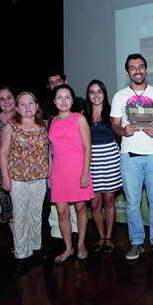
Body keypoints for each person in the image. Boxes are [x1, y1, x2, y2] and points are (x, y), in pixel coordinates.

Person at [111, 53, 153, 260]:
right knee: (132, 203)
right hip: (129, 157)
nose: (137, 70)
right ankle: (136, 241)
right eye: (133, 67)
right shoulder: (119, 96)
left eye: (141, 66)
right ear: (127, 72)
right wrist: (122, 130)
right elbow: (115, 125)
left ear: (146, 69)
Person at [0, 92, 49, 272]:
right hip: (17, 178)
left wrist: (49, 173)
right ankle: (21, 253)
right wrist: (5, 177)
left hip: (39, 177)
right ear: (18, 108)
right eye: (22, 104)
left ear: (36, 106)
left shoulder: (44, 126)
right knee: (20, 215)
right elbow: (3, 153)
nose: (27, 106)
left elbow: (49, 152)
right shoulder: (11, 126)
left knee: (36, 214)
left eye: (31, 103)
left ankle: (36, 248)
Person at [48, 84, 94, 263]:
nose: (63, 101)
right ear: (54, 101)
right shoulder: (51, 120)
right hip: (58, 170)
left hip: (77, 168)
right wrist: (50, 174)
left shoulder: (79, 118)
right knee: (61, 212)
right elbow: (51, 150)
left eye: (67, 97)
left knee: (81, 209)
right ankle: (68, 248)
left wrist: (85, 173)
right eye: (59, 97)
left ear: (73, 100)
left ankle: (81, 244)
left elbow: (87, 147)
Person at [40, 69, 81, 254]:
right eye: (51, 82)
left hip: (75, 163)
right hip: (57, 164)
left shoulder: (78, 107)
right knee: (58, 208)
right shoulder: (45, 109)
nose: (55, 84)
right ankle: (61, 240)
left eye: (58, 80)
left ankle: (77, 239)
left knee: (77, 208)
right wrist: (49, 171)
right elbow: (47, 144)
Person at [84, 80, 123, 254]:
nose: (96, 95)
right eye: (92, 92)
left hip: (110, 158)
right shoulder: (83, 115)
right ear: (88, 95)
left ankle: (108, 237)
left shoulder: (112, 113)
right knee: (94, 204)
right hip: (91, 160)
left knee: (109, 201)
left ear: (104, 93)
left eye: (99, 91)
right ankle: (100, 236)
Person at [0, 85, 18, 246]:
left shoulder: (25, 115)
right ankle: (17, 242)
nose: (6, 101)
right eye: (1, 98)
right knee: (9, 208)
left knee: (27, 208)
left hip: (25, 170)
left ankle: (32, 240)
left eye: (9, 97)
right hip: (4, 169)